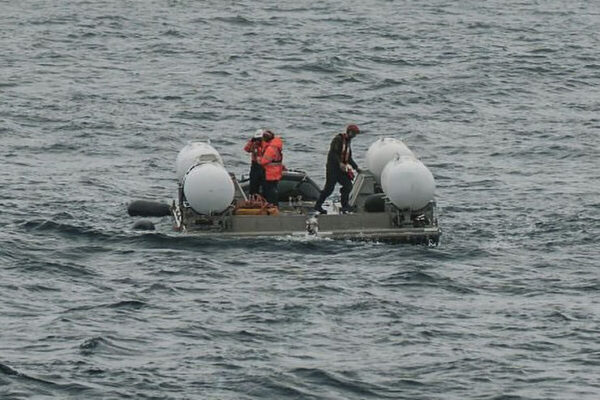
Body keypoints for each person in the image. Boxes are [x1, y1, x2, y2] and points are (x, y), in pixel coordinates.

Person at [314, 124, 361, 214]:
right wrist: (339, 163)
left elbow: (349, 158)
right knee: (329, 189)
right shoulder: (338, 139)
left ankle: (345, 205)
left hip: (341, 170)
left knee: (348, 185)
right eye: (354, 133)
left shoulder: (348, 142)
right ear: (349, 132)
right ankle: (318, 205)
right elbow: (333, 153)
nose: (355, 136)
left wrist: (356, 167)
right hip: (333, 169)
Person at [257, 130, 284, 206]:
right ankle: (273, 204)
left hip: (270, 172)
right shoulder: (276, 146)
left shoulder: (270, 149)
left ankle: (272, 204)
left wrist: (259, 160)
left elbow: (264, 161)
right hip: (276, 171)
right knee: (273, 188)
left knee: (270, 190)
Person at [243, 129, 266, 196]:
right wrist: (251, 141)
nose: (258, 140)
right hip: (255, 166)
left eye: (259, 139)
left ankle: (264, 199)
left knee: (265, 185)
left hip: (264, 166)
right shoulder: (253, 144)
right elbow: (246, 149)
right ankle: (253, 199)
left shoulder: (265, 145)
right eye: (257, 138)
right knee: (253, 185)